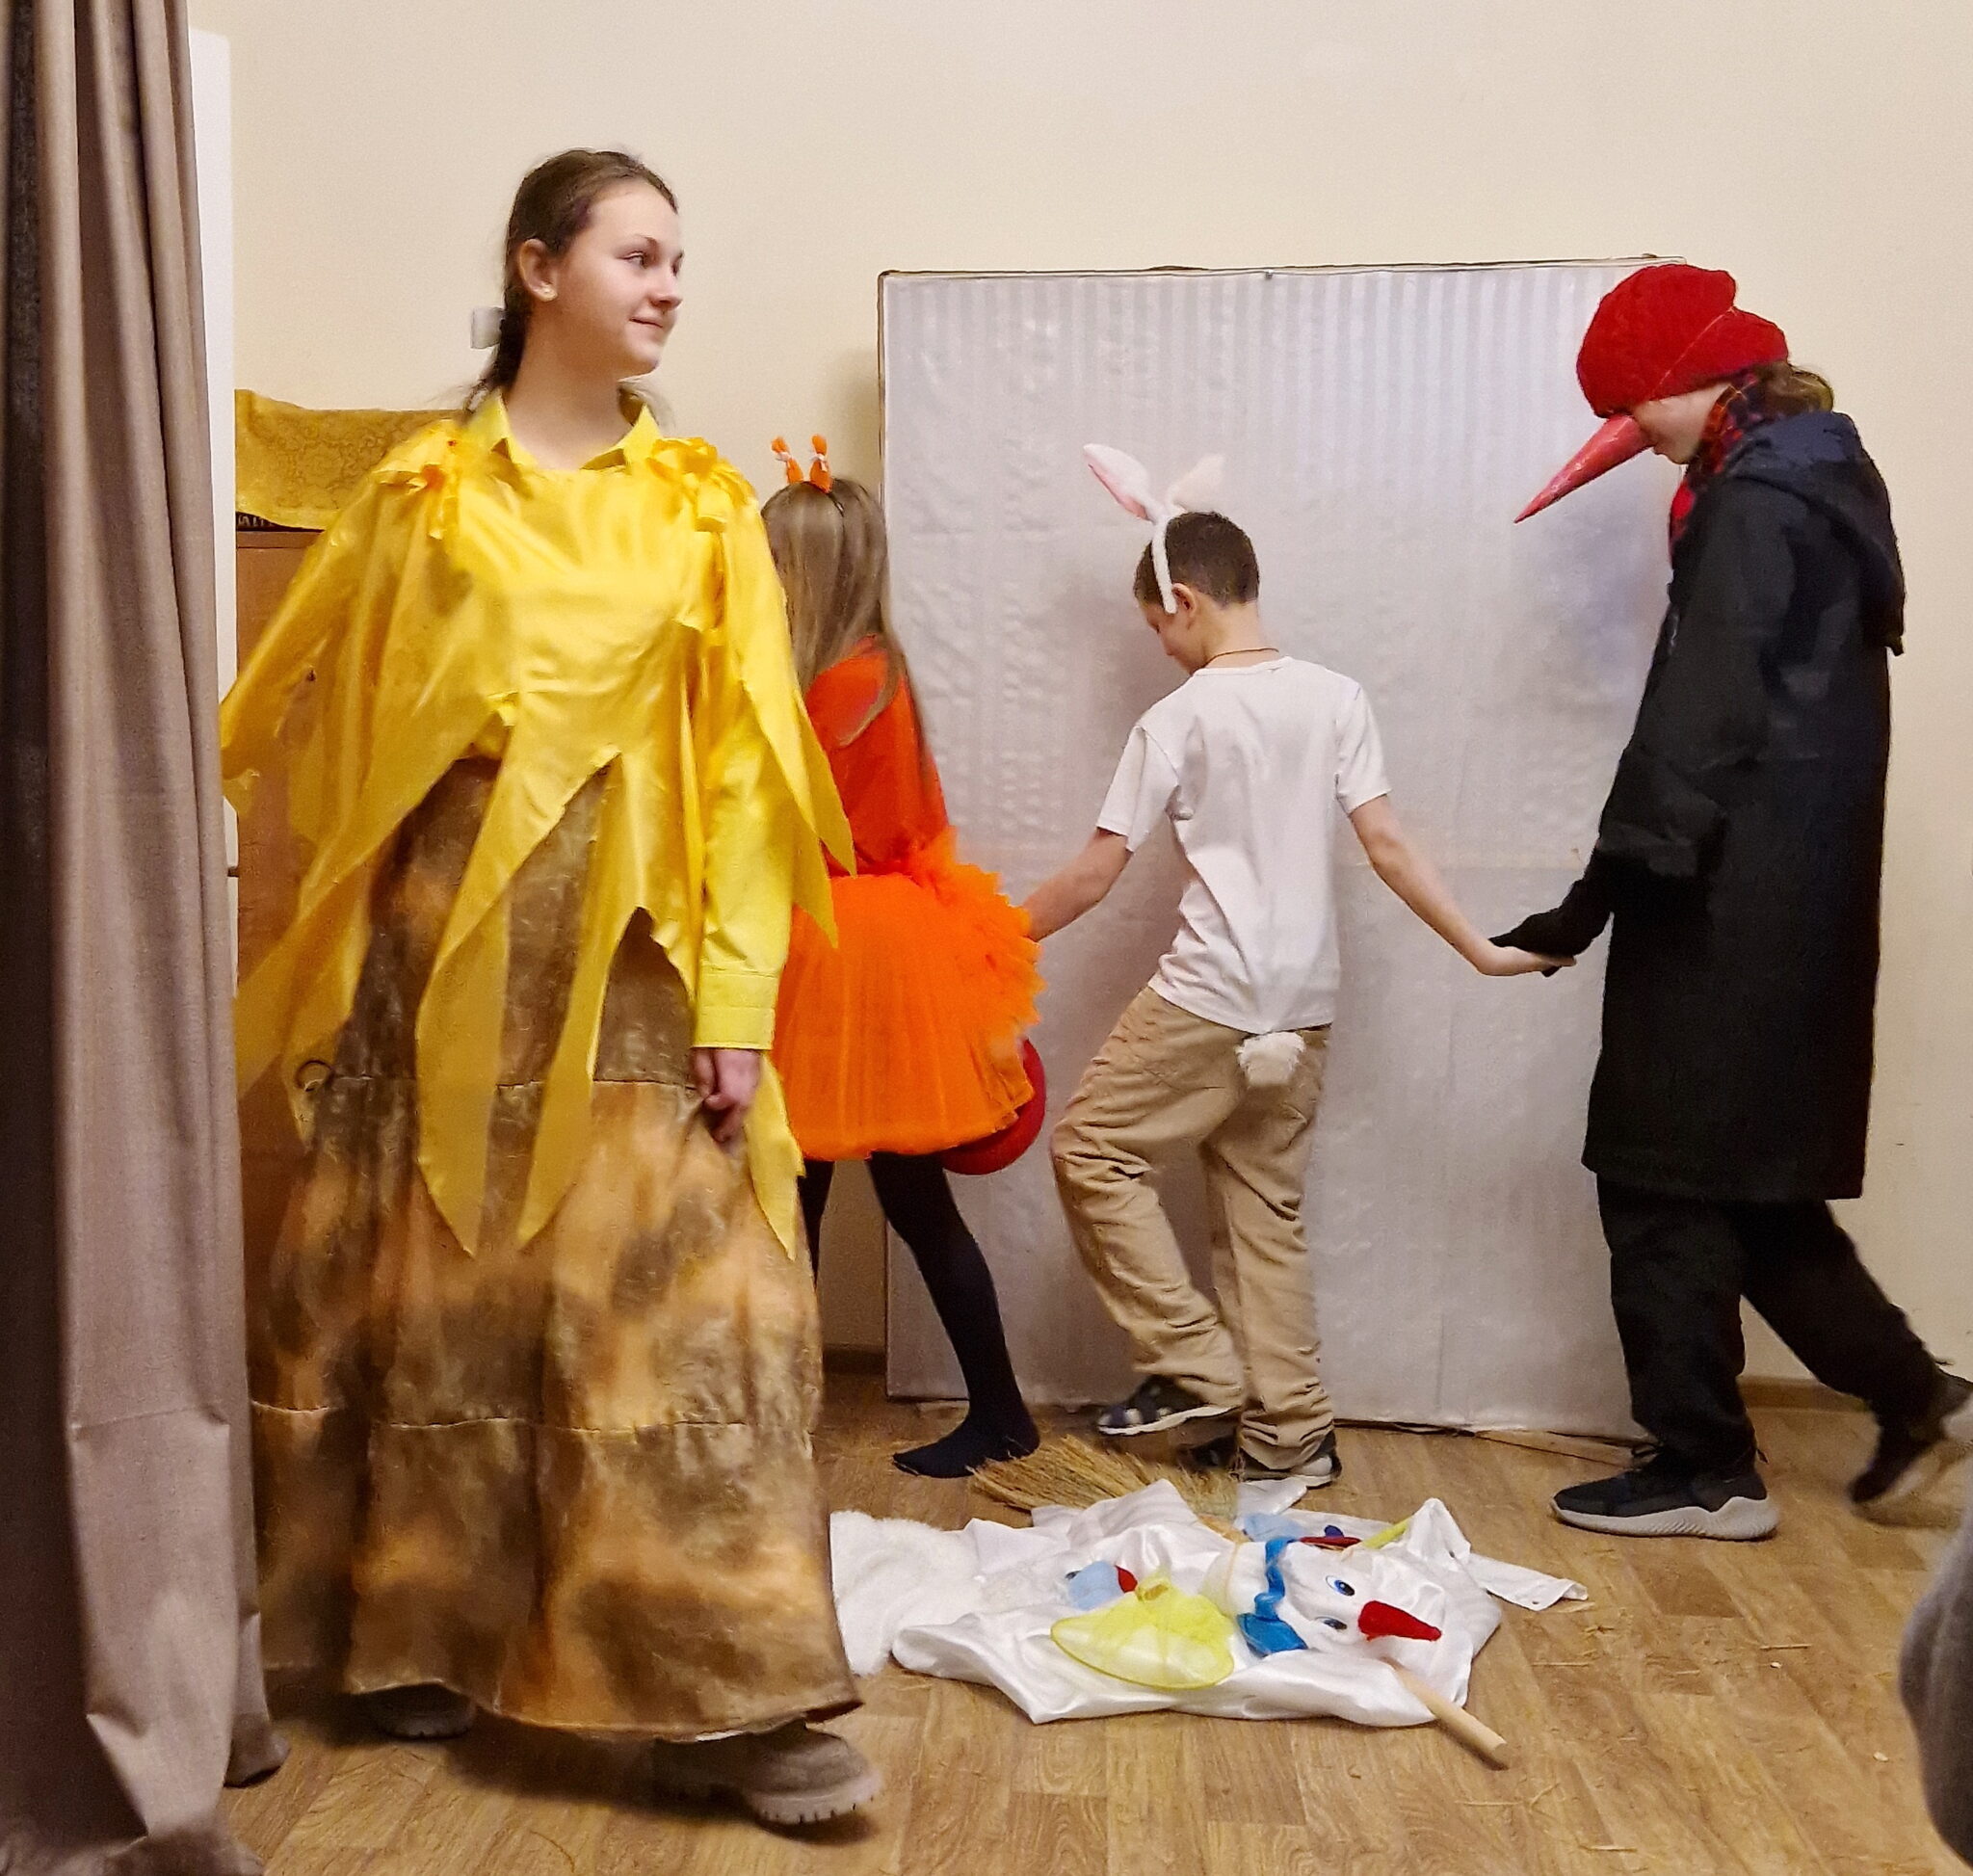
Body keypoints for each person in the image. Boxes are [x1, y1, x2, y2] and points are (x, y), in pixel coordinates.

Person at [221, 149, 881, 1827]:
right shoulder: (421, 494)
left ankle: (726, 1688)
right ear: (538, 269)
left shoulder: (703, 508)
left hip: (640, 952)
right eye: (638, 255)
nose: (670, 285)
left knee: (694, 1303)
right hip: (441, 948)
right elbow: (350, 745)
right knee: (435, 1288)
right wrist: (351, 979)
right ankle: (411, 1625)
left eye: (679, 260)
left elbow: (747, 773)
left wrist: (735, 997)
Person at [1504, 262, 1970, 1540]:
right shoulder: (1815, 483)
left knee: (1656, 1177)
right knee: (1747, 1184)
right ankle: (1916, 1396)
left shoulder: (1751, 505)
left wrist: (1592, 897)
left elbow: (1696, 722)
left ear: (1687, 381)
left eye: (1631, 406)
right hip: (1796, 907)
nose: (1631, 436)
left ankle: (1702, 1469)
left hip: (1725, 904)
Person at [1026, 450, 1557, 1483]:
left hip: (1209, 996)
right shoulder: (1335, 697)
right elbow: (1387, 843)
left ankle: (1191, 1364)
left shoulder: (1177, 717)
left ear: (1183, 601)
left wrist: (982, 939)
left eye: (1156, 628)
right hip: (1303, 1007)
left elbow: (1093, 874)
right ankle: (1292, 1435)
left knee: (1091, 1151)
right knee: (1261, 1212)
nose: (1161, 648)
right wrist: (1481, 949)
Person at [763, 446, 1041, 1478]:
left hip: (837, 949)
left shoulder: (830, 686)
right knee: (889, 1203)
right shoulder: (879, 668)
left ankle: (775, 1422)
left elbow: (777, 824)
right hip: (881, 944)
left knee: (797, 1203)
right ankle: (997, 1413)